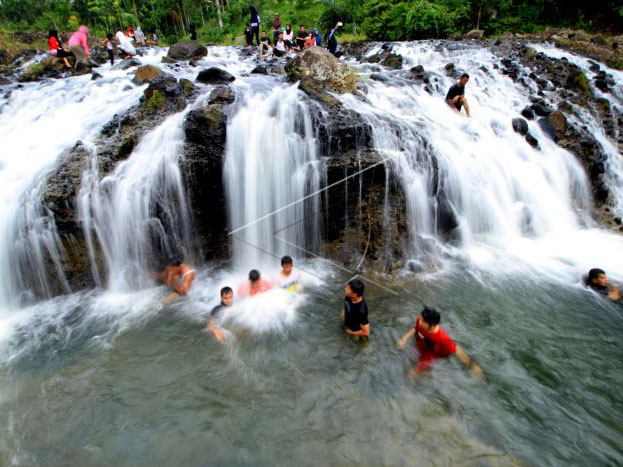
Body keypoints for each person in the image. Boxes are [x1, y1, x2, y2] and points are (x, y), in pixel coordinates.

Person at [397, 307, 483, 378]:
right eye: (421, 318)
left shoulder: (442, 339)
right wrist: (404, 339)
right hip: (424, 343)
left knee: (412, 375)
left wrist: (473, 366)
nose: (420, 320)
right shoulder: (422, 320)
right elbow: (416, 329)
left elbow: (457, 350)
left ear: (432, 325)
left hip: (434, 352)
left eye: (423, 321)